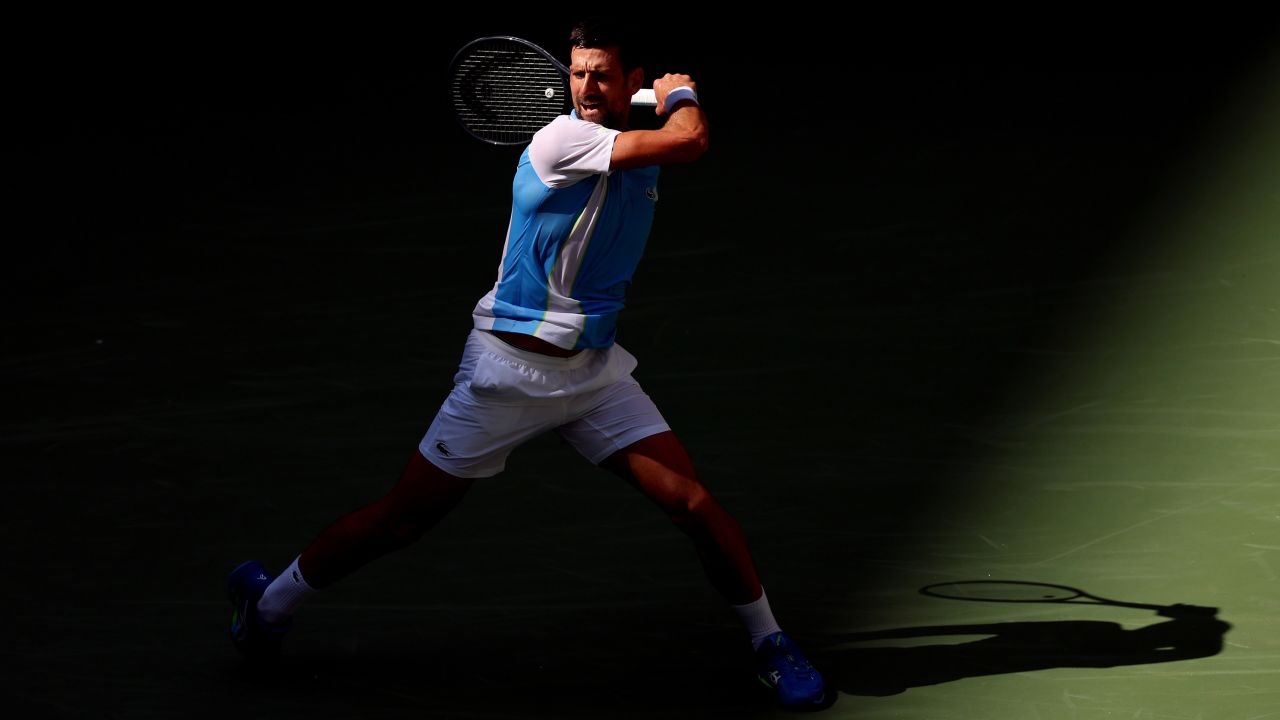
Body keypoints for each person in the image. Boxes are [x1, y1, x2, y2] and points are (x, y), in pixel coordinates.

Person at [227, 17, 826, 709]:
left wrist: (654, 100)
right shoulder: (563, 139)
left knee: (692, 503)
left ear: (626, 79)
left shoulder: (625, 142)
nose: (585, 86)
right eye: (576, 73)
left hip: (592, 374)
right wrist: (680, 93)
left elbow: (657, 147)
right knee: (402, 521)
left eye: (602, 74)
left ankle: (769, 641)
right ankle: (266, 605)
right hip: (506, 375)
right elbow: (689, 139)